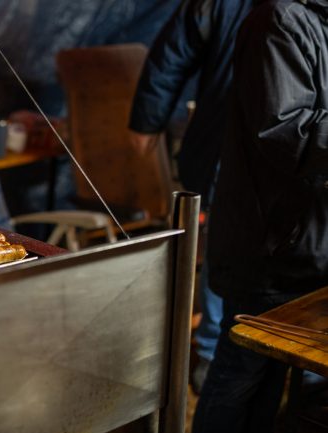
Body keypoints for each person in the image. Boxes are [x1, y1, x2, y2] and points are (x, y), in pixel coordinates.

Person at [192, 0, 328, 433]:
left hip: (310, 240)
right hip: (270, 240)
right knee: (242, 369)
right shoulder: (279, 21)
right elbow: (284, 131)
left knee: (272, 377)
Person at [128, 0, 256, 393]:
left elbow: (172, 52)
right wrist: (147, 119)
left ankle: (230, 357)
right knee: (225, 246)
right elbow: (173, 52)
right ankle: (215, 356)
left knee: (233, 246)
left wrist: (147, 121)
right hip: (228, 146)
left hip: (273, 148)